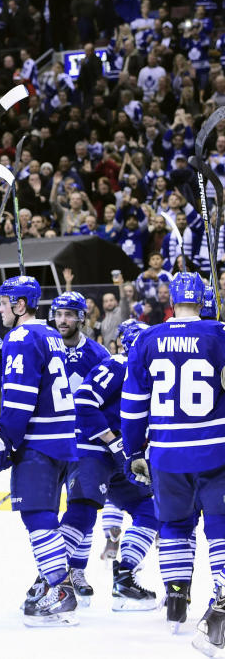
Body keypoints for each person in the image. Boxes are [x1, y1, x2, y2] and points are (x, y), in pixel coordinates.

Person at [0, 276, 79, 626]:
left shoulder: (21, 336)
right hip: (61, 440)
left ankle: (60, 588)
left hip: (39, 443)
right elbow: (18, 377)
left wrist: (3, 437)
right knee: (42, 514)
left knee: (37, 516)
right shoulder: (47, 334)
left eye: (4, 302)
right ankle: (53, 582)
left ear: (20, 305)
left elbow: (19, 397)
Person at [121, 273, 225, 642]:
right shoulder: (220, 335)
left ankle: (176, 601)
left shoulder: (147, 338)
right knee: (220, 525)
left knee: (175, 526)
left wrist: (134, 449)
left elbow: (133, 406)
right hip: (216, 451)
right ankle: (223, 597)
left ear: (172, 301)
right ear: (203, 300)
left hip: (166, 454)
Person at [73, 319, 158, 611]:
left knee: (150, 510)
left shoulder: (150, 373)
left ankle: (124, 578)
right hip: (94, 450)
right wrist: (112, 440)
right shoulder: (118, 365)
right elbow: (83, 400)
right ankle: (51, 581)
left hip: (122, 457)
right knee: (82, 511)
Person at [44, 291, 110, 605]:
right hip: (49, 439)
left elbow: (109, 399)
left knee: (82, 507)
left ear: (81, 317)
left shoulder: (98, 354)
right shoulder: (43, 348)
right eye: (58, 314)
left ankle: (75, 570)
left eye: (70, 314)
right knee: (46, 512)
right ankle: (55, 570)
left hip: (85, 442)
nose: (63, 320)